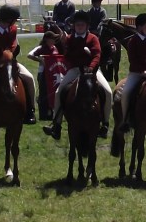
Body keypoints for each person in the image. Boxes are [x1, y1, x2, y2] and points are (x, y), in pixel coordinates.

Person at [43, 11, 112, 140]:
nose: (79, 27)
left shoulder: (93, 38)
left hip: (92, 71)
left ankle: (105, 124)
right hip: (75, 70)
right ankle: (56, 125)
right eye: (77, 25)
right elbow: (67, 56)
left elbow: (97, 55)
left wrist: (91, 67)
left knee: (108, 92)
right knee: (59, 92)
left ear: (87, 26)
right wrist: (81, 58)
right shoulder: (69, 38)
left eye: (82, 25)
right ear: (74, 26)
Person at [26, 31, 60, 121]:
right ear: (47, 39)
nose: (54, 40)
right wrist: (40, 60)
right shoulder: (41, 48)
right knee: (44, 93)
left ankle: (51, 112)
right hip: (43, 73)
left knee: (52, 92)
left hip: (53, 73)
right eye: (53, 38)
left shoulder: (55, 48)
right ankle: (43, 114)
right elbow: (29, 55)